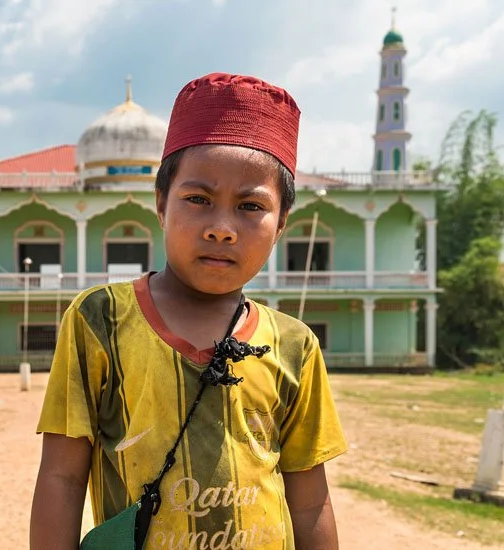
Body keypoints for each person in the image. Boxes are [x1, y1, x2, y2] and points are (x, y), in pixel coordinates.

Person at [30, 73, 348, 549]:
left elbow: (310, 501)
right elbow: (62, 476)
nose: (221, 228)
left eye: (250, 206)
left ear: (281, 222)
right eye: (198, 199)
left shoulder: (294, 345)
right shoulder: (101, 321)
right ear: (161, 203)